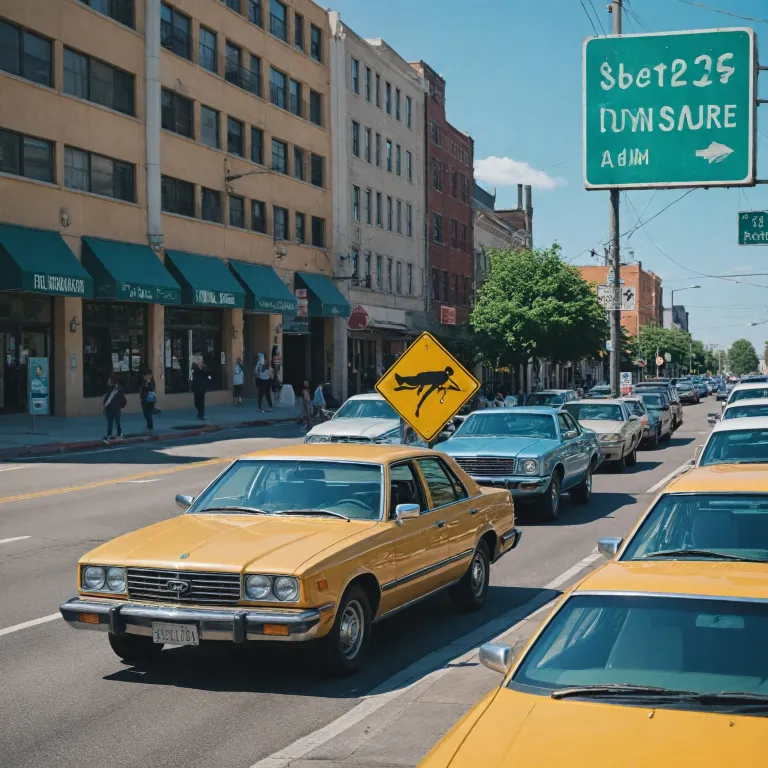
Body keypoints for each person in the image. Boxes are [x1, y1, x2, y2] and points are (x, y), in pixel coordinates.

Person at [103, 375, 126, 444]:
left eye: (109, 380)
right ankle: (119, 435)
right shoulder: (119, 390)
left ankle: (109, 435)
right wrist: (121, 407)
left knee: (110, 423)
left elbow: (106, 400)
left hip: (111, 409)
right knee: (117, 422)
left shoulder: (111, 390)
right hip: (117, 409)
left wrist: (105, 406)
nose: (108, 381)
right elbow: (123, 400)